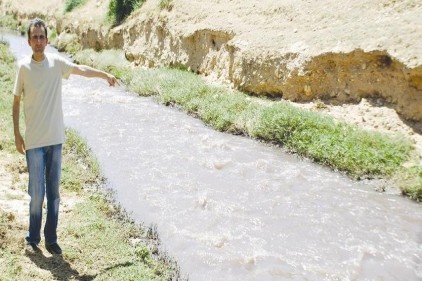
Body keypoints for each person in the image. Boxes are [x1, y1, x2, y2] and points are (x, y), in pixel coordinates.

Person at [12, 18, 119, 255]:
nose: (39, 41)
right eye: (35, 37)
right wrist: (17, 134)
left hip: (55, 140)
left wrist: (105, 75)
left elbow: (81, 70)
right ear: (29, 41)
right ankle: (33, 237)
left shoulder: (56, 63)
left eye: (42, 37)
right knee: (37, 194)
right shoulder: (23, 68)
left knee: (54, 194)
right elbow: (16, 100)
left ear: (47, 41)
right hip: (34, 142)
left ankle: (51, 239)